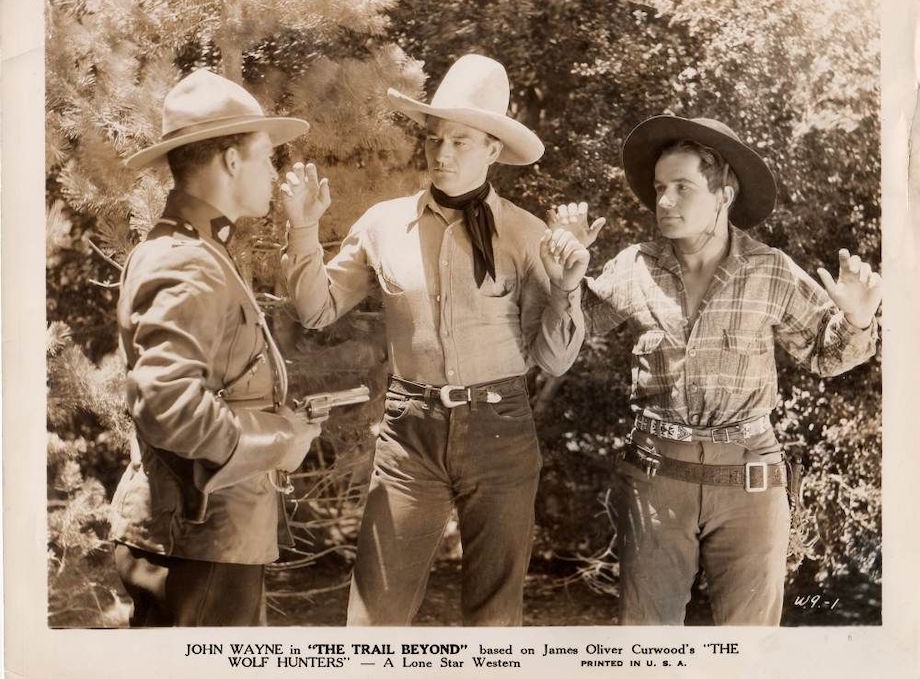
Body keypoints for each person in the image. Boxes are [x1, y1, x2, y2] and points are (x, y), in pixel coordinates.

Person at [278, 54, 588, 625]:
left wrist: (567, 290)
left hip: (500, 431)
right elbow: (315, 310)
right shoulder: (380, 223)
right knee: (374, 616)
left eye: (461, 141)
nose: (442, 153)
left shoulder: (527, 233)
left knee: (495, 620)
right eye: (436, 138)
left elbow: (554, 358)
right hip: (409, 434)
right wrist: (301, 227)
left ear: (494, 150)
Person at [551, 115, 881, 625]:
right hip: (655, 481)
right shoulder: (636, 264)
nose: (664, 201)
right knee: (647, 649)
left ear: (724, 194)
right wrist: (567, 277)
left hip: (750, 487)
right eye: (660, 188)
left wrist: (858, 318)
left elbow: (827, 355)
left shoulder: (769, 268)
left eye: (683, 187)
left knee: (747, 652)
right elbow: (575, 330)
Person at [109, 69, 323, 626]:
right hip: (195, 547)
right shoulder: (183, 258)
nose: (274, 175)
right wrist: (279, 442)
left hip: (208, 538)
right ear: (231, 161)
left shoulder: (198, 247)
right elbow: (168, 403)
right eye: (266, 157)